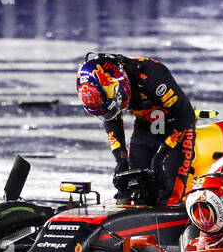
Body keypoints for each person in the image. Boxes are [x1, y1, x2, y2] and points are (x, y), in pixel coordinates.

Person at [76, 52, 196, 206]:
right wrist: (120, 160)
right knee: (132, 189)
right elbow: (111, 119)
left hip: (177, 127)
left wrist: (161, 156)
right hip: (145, 126)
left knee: (169, 195)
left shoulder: (152, 77)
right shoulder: (107, 90)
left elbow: (186, 117)